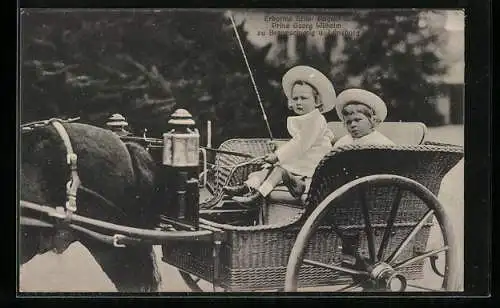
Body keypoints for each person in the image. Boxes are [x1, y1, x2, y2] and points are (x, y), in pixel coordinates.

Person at [224, 65, 336, 204]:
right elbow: (299, 143)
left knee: (278, 169)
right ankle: (248, 186)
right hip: (304, 158)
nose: (299, 102)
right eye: (295, 99)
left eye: (304, 98)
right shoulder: (307, 120)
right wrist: (280, 146)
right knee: (266, 169)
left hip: (314, 163)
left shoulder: (316, 120)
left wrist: (277, 155)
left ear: (317, 101)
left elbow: (300, 144)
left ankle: (260, 195)